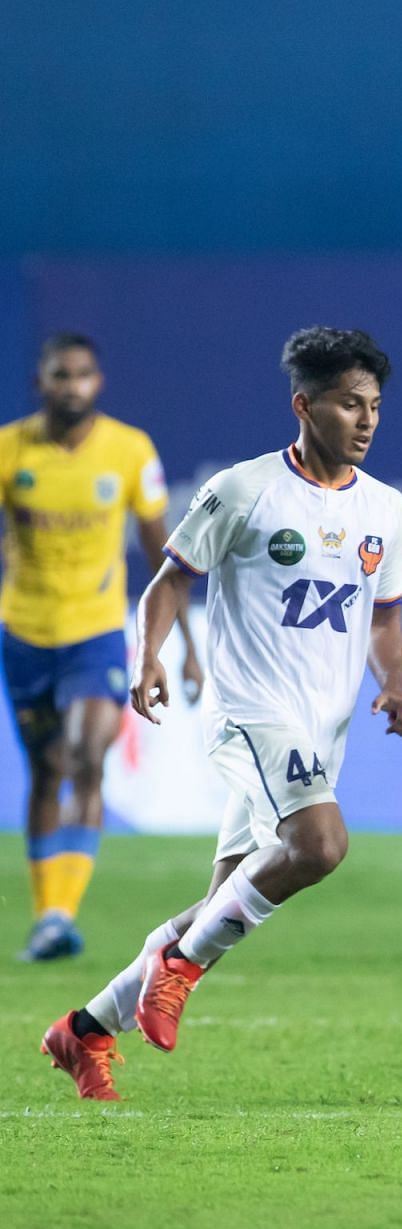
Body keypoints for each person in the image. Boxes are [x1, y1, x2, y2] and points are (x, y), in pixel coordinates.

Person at [39, 327, 402, 1101]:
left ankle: (85, 1030)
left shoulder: (387, 509)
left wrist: (395, 684)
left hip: (321, 731)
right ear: (304, 406)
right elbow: (169, 583)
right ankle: (177, 970)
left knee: (221, 905)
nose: (367, 421)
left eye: (375, 405)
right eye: (351, 404)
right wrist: (148, 656)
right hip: (250, 714)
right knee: (320, 844)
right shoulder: (243, 490)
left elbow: (383, 619)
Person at [2, 333, 201, 962]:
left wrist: (186, 643)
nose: (73, 386)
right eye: (61, 375)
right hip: (26, 629)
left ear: (98, 382)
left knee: (87, 755)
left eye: (83, 374)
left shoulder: (128, 450)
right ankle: (46, 912)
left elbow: (160, 551)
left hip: (94, 631)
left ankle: (61, 915)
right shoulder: (10, 450)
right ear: (42, 384)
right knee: (46, 770)